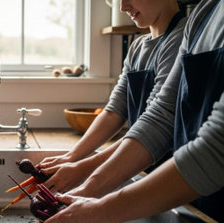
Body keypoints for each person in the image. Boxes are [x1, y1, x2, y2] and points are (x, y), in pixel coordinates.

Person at [41, 0, 224, 223]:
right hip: (192, 197)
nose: (121, 7)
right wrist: (86, 188)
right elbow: (160, 119)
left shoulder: (183, 30)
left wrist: (102, 208)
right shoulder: (202, 17)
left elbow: (216, 148)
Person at [37, 0, 187, 193]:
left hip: (169, 174)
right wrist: (72, 156)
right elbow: (113, 111)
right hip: (138, 168)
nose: (123, 7)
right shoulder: (138, 47)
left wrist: (81, 169)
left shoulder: (182, 40)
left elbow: (153, 128)